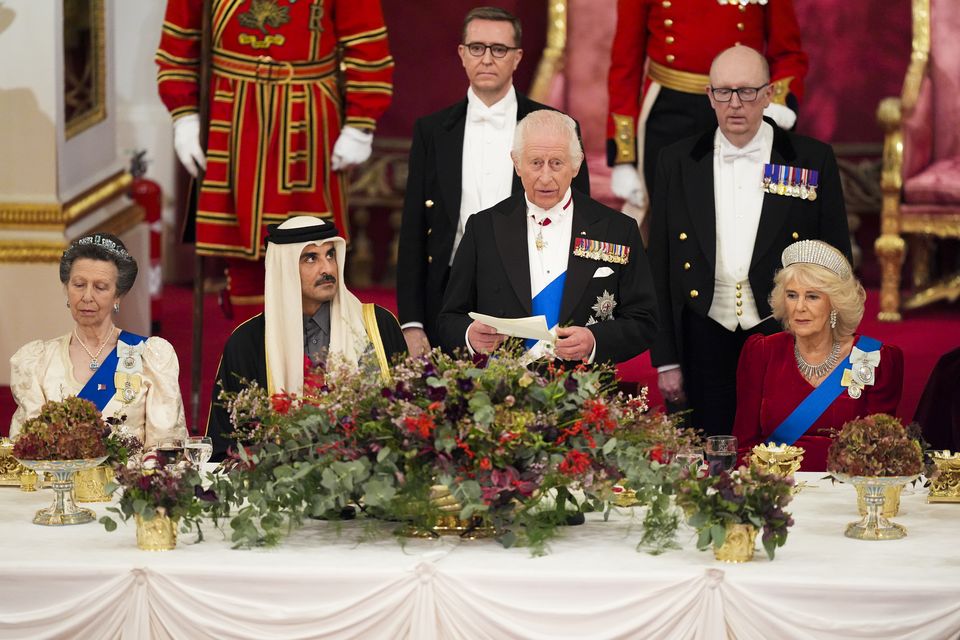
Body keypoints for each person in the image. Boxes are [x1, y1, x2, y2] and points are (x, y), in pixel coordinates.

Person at [647, 45, 851, 437]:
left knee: (787, 447)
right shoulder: (676, 160)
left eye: (747, 91)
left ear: (770, 94)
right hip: (704, 329)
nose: (735, 104)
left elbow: (836, 260)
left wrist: (834, 343)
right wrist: (665, 359)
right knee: (714, 453)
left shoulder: (810, 159)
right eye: (723, 92)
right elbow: (660, 264)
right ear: (709, 96)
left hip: (786, 329)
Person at [156, 0, 394, 318]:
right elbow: (179, 45)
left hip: (307, 120)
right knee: (238, 250)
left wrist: (360, 125)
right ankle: (250, 360)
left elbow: (367, 46)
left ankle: (309, 362)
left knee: (311, 248)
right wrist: (183, 115)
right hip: (232, 117)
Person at [397, 6, 591, 357]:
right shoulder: (431, 131)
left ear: (517, 57)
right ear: (462, 54)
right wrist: (411, 323)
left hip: (534, 291)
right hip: (448, 296)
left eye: (498, 49)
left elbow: (582, 224)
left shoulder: (557, 126)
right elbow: (413, 230)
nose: (487, 58)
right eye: (477, 48)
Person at [437, 109, 657, 366]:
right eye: (535, 163)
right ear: (517, 163)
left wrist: (594, 340)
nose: (545, 177)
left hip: (586, 391)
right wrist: (470, 335)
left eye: (556, 163)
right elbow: (449, 318)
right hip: (502, 392)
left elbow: (644, 320)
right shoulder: (483, 228)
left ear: (576, 165)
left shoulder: (617, 229)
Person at [207, 216, 406, 460]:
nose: (328, 269)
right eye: (311, 258)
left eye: (330, 254)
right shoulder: (247, 342)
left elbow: (407, 423)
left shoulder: (377, 325)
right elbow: (225, 447)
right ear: (285, 267)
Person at [606, 0, 807, 225]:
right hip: (667, 113)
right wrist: (624, 157)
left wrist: (778, 103)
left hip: (741, 109)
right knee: (670, 225)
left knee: (741, 219)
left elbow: (787, 54)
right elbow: (625, 65)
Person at [733, 240, 903, 471]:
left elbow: (880, 453)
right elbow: (744, 446)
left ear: (834, 304)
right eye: (792, 295)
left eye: (812, 297)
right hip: (777, 490)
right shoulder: (762, 352)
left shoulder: (874, 358)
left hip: (844, 491)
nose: (799, 307)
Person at [9, 233, 187, 451]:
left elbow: (166, 447)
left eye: (100, 287)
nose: (87, 296)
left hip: (127, 483)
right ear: (67, 289)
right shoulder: (38, 362)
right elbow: (27, 448)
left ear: (118, 296)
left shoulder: (149, 357)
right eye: (79, 284)